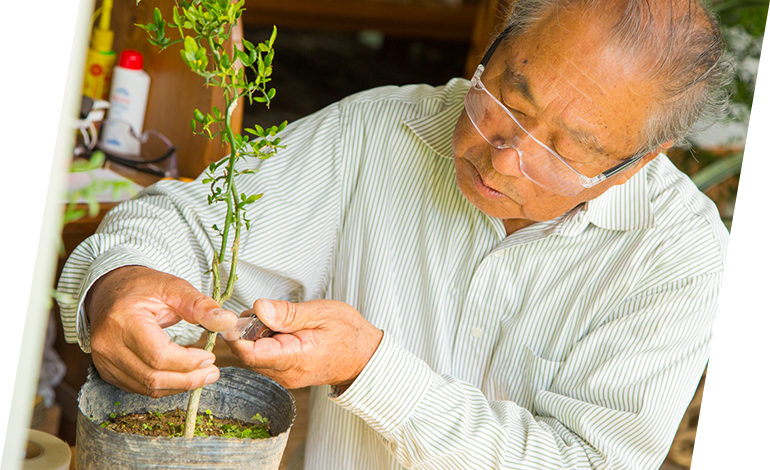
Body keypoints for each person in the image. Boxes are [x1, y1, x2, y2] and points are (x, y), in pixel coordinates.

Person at [58, 0, 737, 468]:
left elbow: (586, 462)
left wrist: (371, 368)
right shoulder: (383, 131)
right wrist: (119, 284)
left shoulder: (679, 263)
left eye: (563, 150)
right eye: (507, 101)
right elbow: (187, 221)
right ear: (495, 47)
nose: (504, 157)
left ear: (638, 162)